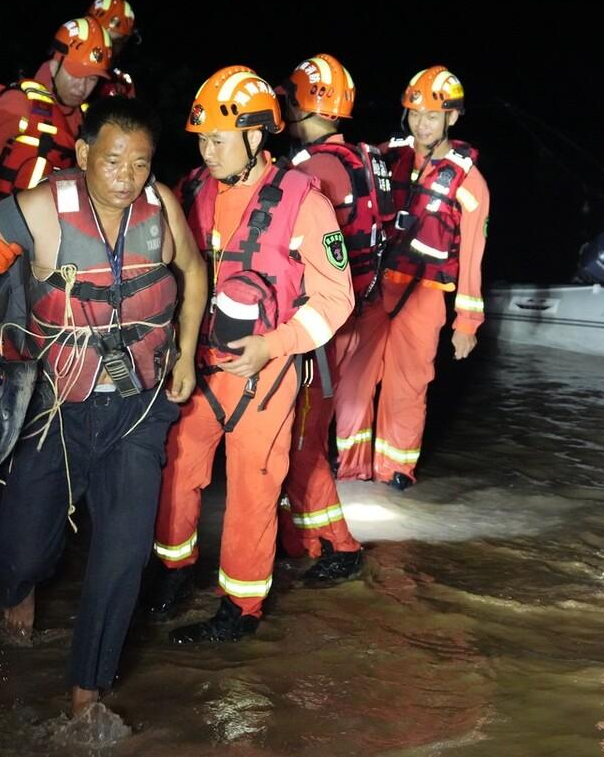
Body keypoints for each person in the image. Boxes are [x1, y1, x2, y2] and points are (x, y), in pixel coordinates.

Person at [0, 96, 207, 715]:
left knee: (124, 552)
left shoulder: (164, 206)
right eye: (113, 161)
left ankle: (87, 694)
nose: (126, 178)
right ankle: (21, 588)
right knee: (23, 547)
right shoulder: (38, 211)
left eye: (140, 164)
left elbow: (194, 274)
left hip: (137, 408)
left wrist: (188, 354)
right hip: (53, 407)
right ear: (85, 153)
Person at [149, 66, 355, 641]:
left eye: (216, 138)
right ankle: (174, 570)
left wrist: (274, 344)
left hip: (266, 372)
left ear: (256, 137)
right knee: (179, 467)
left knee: (253, 485)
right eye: (201, 139)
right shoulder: (192, 189)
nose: (206, 150)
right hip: (199, 363)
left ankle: (240, 608)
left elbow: (336, 299)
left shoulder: (304, 202)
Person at [332, 66, 490, 491]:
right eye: (415, 113)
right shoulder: (387, 157)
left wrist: (467, 324)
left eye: (432, 115)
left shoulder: (469, 182)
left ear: (451, 118)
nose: (422, 123)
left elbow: (473, 256)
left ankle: (395, 468)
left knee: (409, 383)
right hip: (374, 287)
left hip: (425, 295)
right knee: (353, 376)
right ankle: (349, 463)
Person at [272, 54, 382, 582]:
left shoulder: (310, 171)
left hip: (320, 329)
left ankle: (340, 545)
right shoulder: (362, 159)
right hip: (353, 317)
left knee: (300, 439)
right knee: (304, 436)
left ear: (300, 102)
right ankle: (302, 538)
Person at [0, 17, 112, 242]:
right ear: (56, 60)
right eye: (75, 73)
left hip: (47, 240)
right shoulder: (21, 103)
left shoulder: (87, 121)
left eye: (91, 79)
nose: (82, 86)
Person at [86, 0, 137, 99]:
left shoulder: (123, 84)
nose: (107, 48)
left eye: (116, 42)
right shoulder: (62, 68)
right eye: (102, 39)